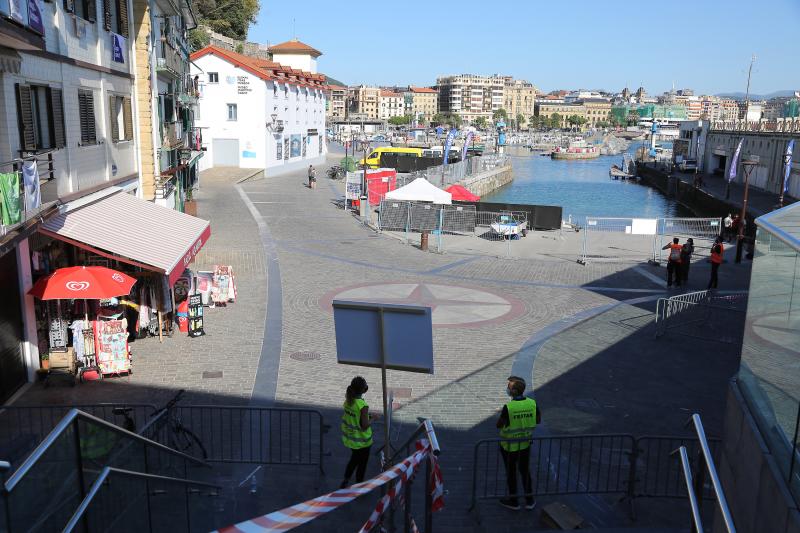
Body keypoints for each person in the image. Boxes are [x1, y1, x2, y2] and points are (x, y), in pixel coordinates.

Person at [496, 376, 540, 511]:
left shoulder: (508, 407)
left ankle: (514, 501)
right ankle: (529, 500)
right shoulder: (532, 403)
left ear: (514, 391)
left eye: (509, 387)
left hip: (509, 447)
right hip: (525, 445)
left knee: (511, 473)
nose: (507, 389)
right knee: (525, 471)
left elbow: (499, 425)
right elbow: (538, 420)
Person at [340, 376, 376, 488]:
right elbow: (365, 425)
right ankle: (359, 484)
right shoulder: (362, 405)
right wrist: (374, 418)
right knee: (362, 463)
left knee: (354, 460)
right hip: (363, 441)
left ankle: (346, 479)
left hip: (351, 439)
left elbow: (356, 417)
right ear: (364, 390)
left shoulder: (348, 401)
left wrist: (366, 416)